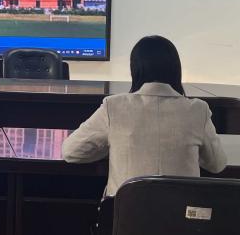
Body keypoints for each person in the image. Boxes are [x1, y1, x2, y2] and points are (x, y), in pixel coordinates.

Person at [62, 35, 227, 197]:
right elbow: (217, 165)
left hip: (125, 212)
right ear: (176, 70)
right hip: (182, 213)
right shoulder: (198, 110)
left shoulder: (113, 106)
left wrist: (108, 148)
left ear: (135, 70)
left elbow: (70, 152)